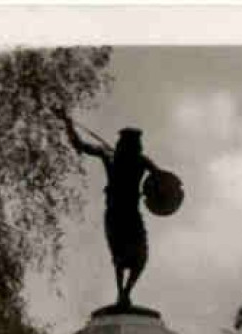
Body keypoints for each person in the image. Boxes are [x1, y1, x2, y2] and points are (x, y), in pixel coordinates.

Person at [56, 110, 166, 309]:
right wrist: (67, 124)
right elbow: (79, 145)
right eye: (130, 142)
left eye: (135, 143)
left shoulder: (140, 161)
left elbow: (162, 180)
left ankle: (125, 293)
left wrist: (158, 190)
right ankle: (121, 295)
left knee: (140, 257)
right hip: (115, 214)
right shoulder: (110, 156)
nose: (134, 146)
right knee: (120, 257)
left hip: (131, 215)